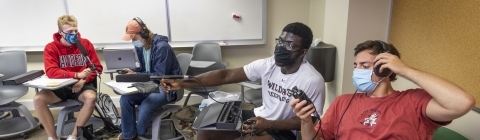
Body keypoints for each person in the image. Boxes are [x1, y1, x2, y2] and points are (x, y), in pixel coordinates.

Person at [161, 22, 326, 140]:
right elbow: (226, 75)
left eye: (290, 45)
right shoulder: (268, 64)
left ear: (303, 52)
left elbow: (309, 122)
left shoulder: (312, 80)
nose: (281, 47)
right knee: (206, 131)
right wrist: (183, 83)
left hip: (284, 130)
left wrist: (268, 124)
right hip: (258, 116)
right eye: (280, 41)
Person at [290, 40, 476, 140]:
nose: (357, 71)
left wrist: (406, 70)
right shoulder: (343, 102)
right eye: (356, 65)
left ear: (385, 69)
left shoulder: (413, 101)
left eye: (365, 65)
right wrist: (306, 122)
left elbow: (463, 102)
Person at [34, 15, 103, 140]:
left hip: (82, 85)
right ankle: (53, 137)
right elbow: (51, 71)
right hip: (60, 85)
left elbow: (96, 67)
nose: (74, 34)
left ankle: (73, 136)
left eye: (76, 30)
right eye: (70, 31)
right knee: (38, 99)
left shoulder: (85, 44)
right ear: (60, 32)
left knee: (91, 98)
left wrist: (82, 81)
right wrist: (76, 75)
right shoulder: (51, 48)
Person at [117, 17, 182, 140]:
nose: (133, 41)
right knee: (125, 98)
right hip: (150, 84)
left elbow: (159, 74)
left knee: (147, 103)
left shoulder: (162, 47)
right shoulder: (141, 47)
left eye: (134, 38)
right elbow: (144, 68)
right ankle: (128, 136)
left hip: (166, 86)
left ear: (143, 33)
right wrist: (133, 71)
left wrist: (136, 76)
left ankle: (138, 133)